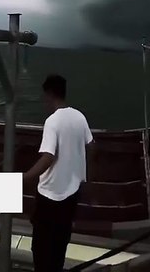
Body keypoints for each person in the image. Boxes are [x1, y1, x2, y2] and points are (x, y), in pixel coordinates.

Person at [23, 74, 94, 272]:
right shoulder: (79, 117)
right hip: (72, 193)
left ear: (49, 94)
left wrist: (24, 178)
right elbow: (92, 146)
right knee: (60, 244)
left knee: (40, 248)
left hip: (49, 195)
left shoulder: (52, 121)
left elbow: (48, 156)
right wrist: (85, 176)